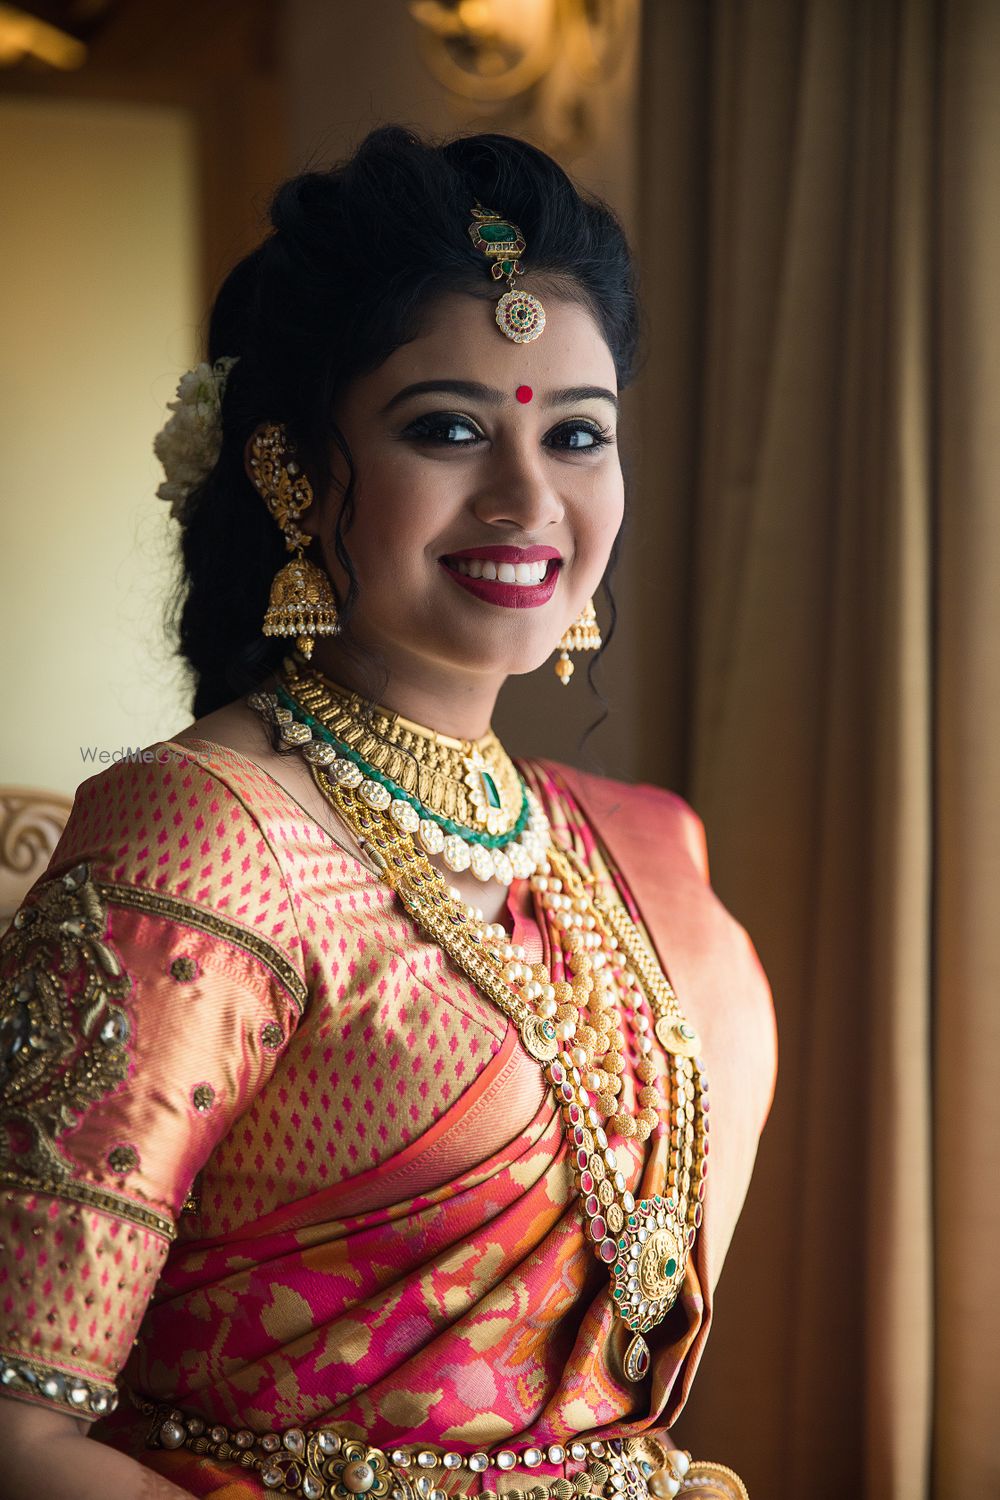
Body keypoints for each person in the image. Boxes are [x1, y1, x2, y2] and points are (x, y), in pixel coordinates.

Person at [0, 127, 776, 1500]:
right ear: (292, 470)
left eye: (578, 433)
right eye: (450, 428)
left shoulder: (643, 852)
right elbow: (19, 1427)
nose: (530, 497)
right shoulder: (208, 836)